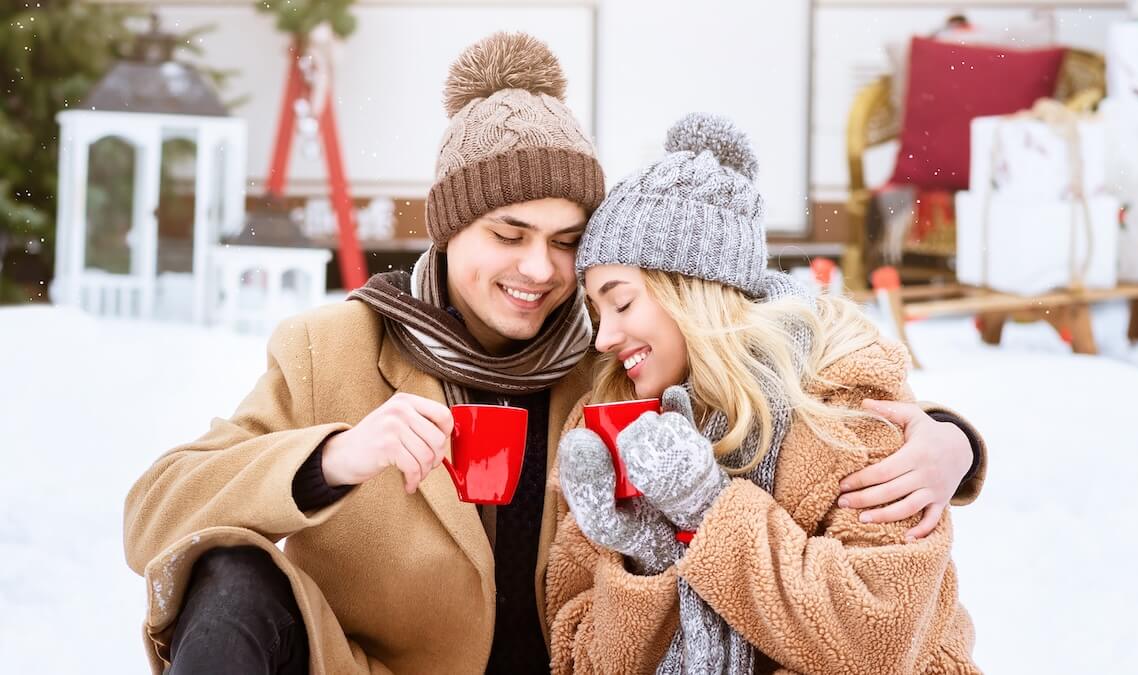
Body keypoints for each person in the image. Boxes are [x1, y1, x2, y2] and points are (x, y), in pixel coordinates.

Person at [123, 36, 983, 674]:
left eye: (566, 242)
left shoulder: (614, 365)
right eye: (509, 233)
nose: (539, 270)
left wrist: (951, 438)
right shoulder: (336, 349)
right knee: (232, 574)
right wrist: (335, 456)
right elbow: (157, 510)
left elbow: (771, 376)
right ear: (450, 225)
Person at [547, 113, 980, 674]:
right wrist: (649, 556)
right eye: (595, 310)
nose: (604, 338)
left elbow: (874, 636)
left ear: (693, 289)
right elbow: (574, 653)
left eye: (622, 302)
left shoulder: (842, 396)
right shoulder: (607, 422)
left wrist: (708, 510)